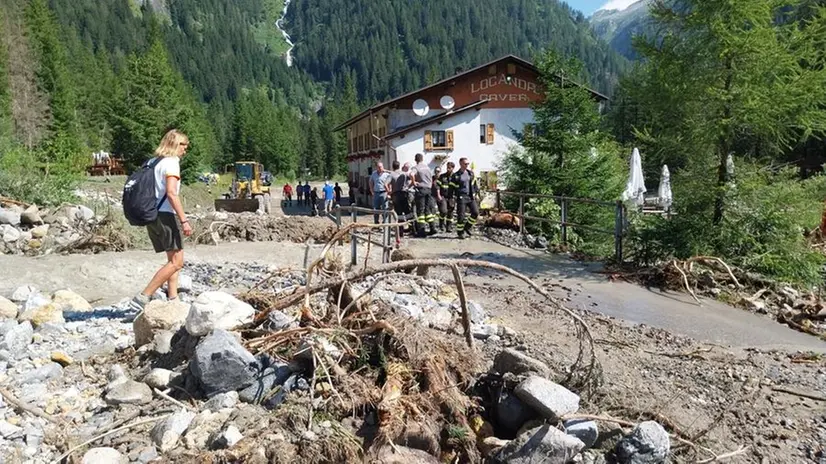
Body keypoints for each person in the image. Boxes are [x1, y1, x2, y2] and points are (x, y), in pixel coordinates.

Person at [129, 129, 193, 311]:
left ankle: (173, 299)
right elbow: (172, 193)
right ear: (174, 144)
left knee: (172, 258)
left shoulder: (152, 162)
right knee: (177, 262)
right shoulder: (172, 163)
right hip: (165, 214)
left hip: (151, 214)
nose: (185, 150)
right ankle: (143, 297)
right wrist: (184, 220)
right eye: (183, 145)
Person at [451, 157, 479, 239]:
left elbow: (474, 184)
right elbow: (451, 188)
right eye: (465, 164)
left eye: (468, 164)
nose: (467, 165)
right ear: (461, 164)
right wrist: (450, 198)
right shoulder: (456, 175)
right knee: (461, 216)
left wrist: (475, 193)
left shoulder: (470, 173)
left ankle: (467, 227)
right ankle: (460, 232)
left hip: (470, 196)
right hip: (461, 197)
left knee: (475, 212)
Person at [410, 153, 437, 237]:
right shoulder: (428, 168)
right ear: (422, 159)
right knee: (428, 210)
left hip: (421, 190)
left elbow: (411, 174)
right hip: (429, 190)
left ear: (415, 159)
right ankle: (432, 228)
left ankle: (421, 231)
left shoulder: (416, 167)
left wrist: (414, 182)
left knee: (420, 211)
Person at [390, 160, 412, 236]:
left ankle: (401, 231)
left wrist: (389, 192)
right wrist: (410, 186)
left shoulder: (391, 174)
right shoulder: (404, 173)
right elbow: (412, 177)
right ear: (399, 166)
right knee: (407, 212)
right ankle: (412, 228)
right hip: (404, 193)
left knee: (398, 213)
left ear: (393, 166)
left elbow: (386, 184)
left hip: (396, 195)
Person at [436, 161, 456, 232]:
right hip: (443, 196)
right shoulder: (442, 176)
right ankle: (441, 224)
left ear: (453, 168)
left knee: (450, 212)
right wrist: (438, 195)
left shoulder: (455, 176)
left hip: (451, 197)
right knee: (443, 211)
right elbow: (437, 186)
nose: (448, 169)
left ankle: (449, 227)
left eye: (449, 168)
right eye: (447, 168)